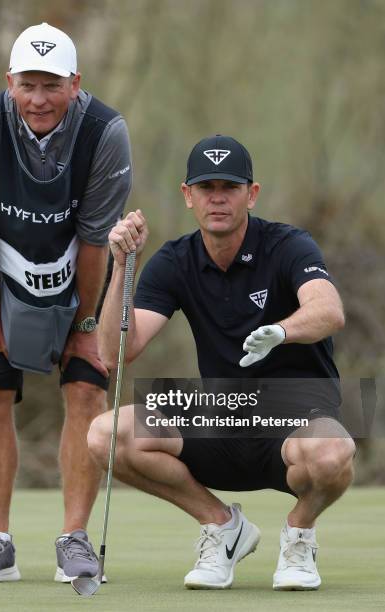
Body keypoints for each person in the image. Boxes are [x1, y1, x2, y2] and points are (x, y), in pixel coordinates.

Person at [89, 135, 355, 591]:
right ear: (187, 195)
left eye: (229, 186)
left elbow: (329, 310)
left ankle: (298, 534)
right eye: (206, 186)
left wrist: (283, 331)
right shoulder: (176, 260)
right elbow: (114, 351)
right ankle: (222, 527)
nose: (217, 197)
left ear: (251, 194)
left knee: (333, 452)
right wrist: (119, 267)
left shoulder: (288, 245)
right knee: (105, 434)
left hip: (297, 412)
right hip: (224, 410)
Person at [0, 23, 131, 583]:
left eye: (52, 85)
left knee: (84, 388)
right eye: (28, 84)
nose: (39, 99)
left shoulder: (105, 132)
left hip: (78, 271)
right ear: (9, 82)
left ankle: (74, 542)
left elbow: (95, 238)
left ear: (75, 84)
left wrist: (86, 324)